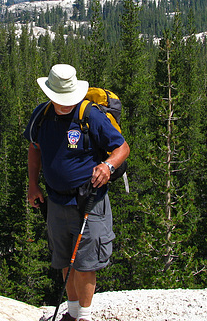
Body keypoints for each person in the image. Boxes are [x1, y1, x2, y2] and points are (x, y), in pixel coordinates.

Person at [24, 64, 130, 321]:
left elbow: (122, 147)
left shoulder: (90, 115)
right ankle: (71, 315)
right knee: (64, 260)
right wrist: (33, 185)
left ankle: (84, 316)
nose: (63, 104)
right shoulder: (42, 115)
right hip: (57, 201)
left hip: (89, 200)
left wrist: (107, 165)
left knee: (85, 263)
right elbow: (34, 149)